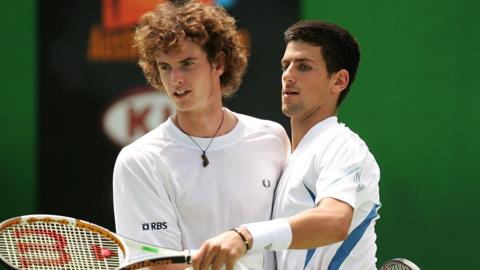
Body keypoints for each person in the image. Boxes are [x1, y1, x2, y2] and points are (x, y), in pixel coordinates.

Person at [112, 0, 290, 268]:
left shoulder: (273, 139)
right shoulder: (139, 161)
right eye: (164, 67)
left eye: (187, 63)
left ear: (218, 63)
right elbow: (158, 266)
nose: (175, 80)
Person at [192, 20, 381, 270]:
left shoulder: (341, 145)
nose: (288, 76)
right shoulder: (291, 158)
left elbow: (335, 221)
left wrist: (245, 236)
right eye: (285, 65)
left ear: (339, 81)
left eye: (304, 67)